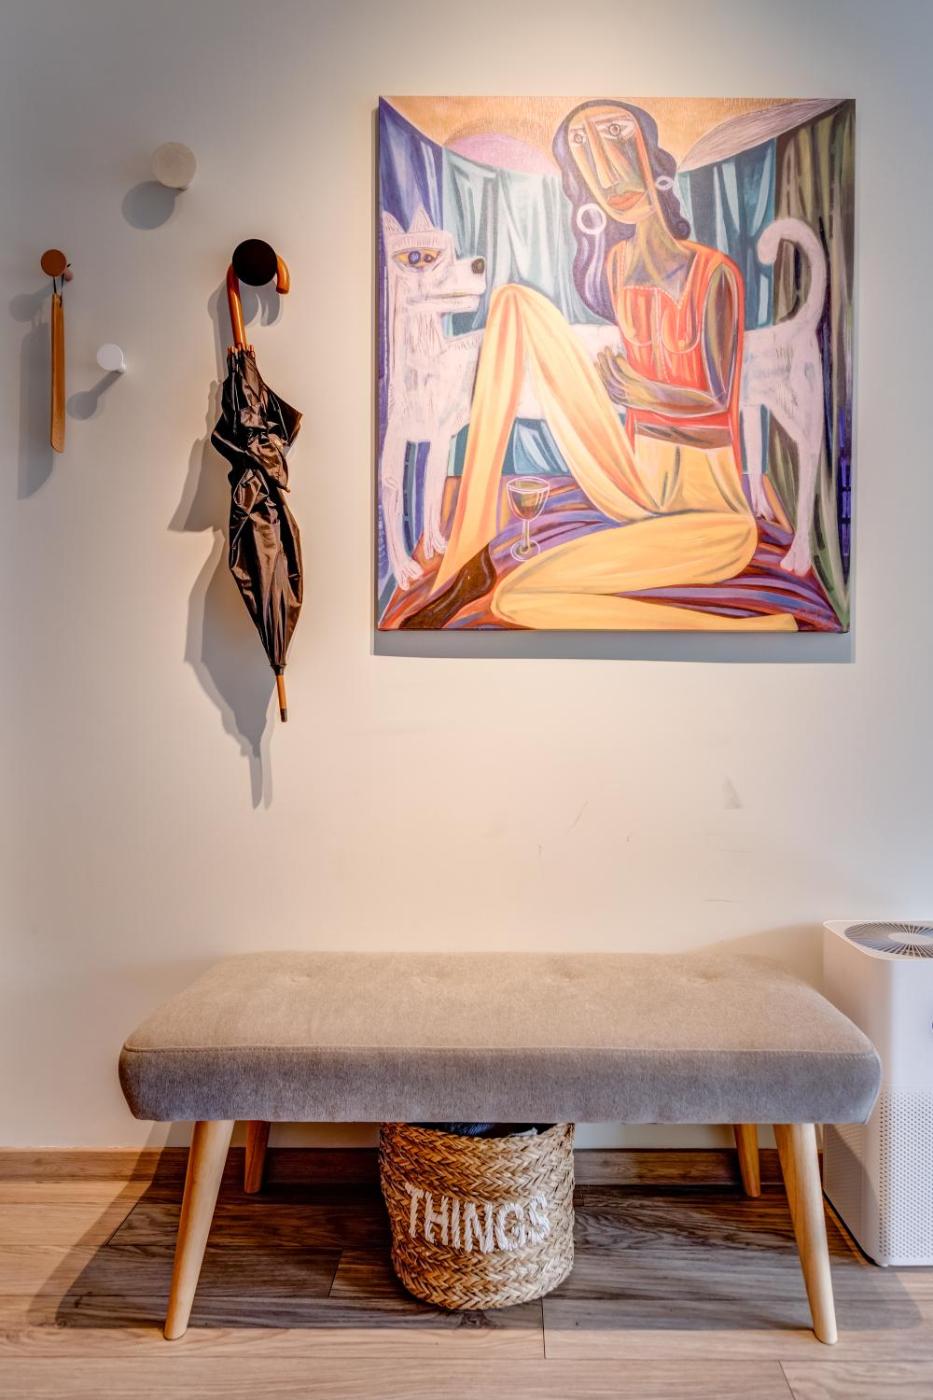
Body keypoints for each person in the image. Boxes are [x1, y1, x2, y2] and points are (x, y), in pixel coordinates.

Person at [422, 100, 796, 631]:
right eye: (583, 150)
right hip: (635, 481)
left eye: (617, 136)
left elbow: (717, 400)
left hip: (712, 517)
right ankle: (470, 548)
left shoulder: (715, 273)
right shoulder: (617, 265)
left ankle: (754, 631)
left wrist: (641, 392)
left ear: (651, 154)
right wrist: (615, 390)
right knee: (512, 304)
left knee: (517, 599)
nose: (608, 171)